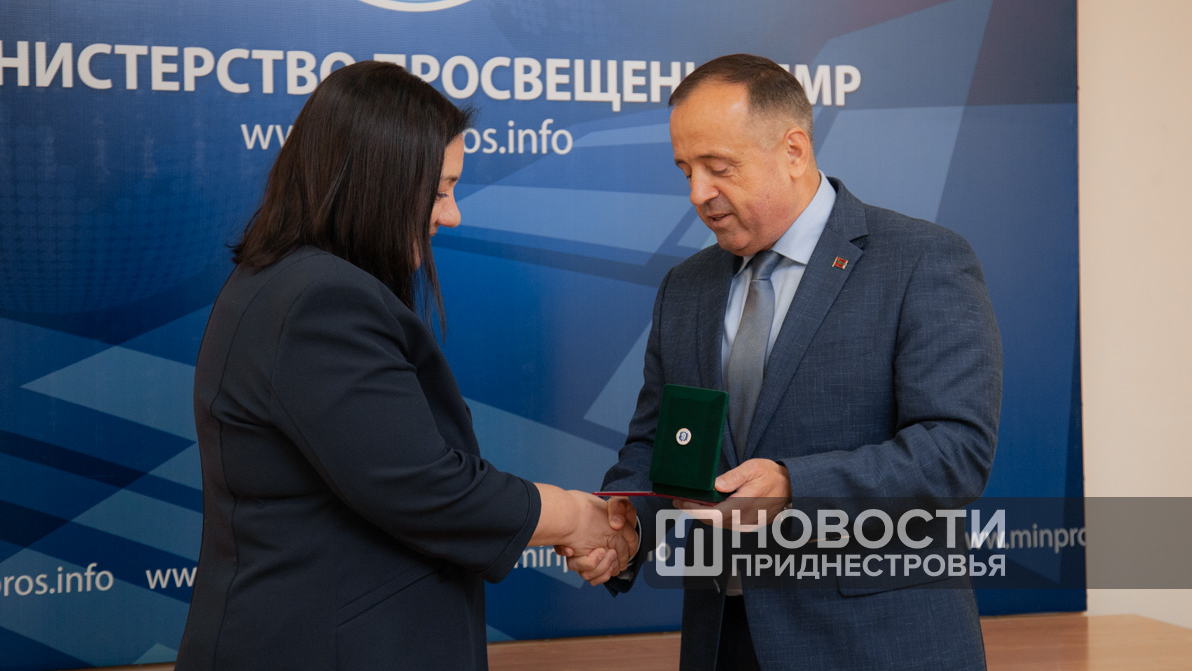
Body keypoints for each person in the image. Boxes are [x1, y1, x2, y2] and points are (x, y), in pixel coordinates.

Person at [176, 61, 636, 671]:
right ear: (379, 182)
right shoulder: (321, 300)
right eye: (440, 190)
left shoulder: (286, 282)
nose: (452, 214)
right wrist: (574, 515)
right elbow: (424, 486)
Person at [585, 54, 1003, 670]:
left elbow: (955, 452)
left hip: (877, 645)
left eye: (719, 167)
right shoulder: (686, 286)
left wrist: (792, 487)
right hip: (723, 640)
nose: (697, 194)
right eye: (686, 170)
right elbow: (659, 442)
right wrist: (627, 523)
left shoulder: (922, 260)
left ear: (794, 151)